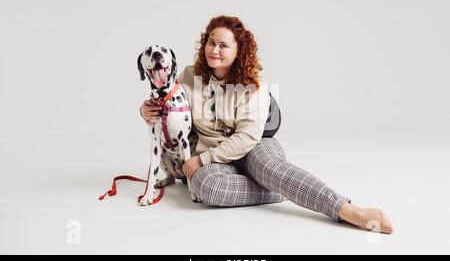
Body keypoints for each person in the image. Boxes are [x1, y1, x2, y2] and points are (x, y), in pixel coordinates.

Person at [140, 15, 394, 234]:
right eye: (210, 42)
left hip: (254, 146)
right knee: (204, 186)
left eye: (223, 45)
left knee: (269, 167)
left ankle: (348, 210)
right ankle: (283, 189)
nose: (213, 50)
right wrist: (145, 110)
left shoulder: (255, 81)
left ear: (239, 51)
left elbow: (249, 137)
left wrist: (202, 160)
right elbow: (166, 100)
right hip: (217, 160)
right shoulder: (188, 74)